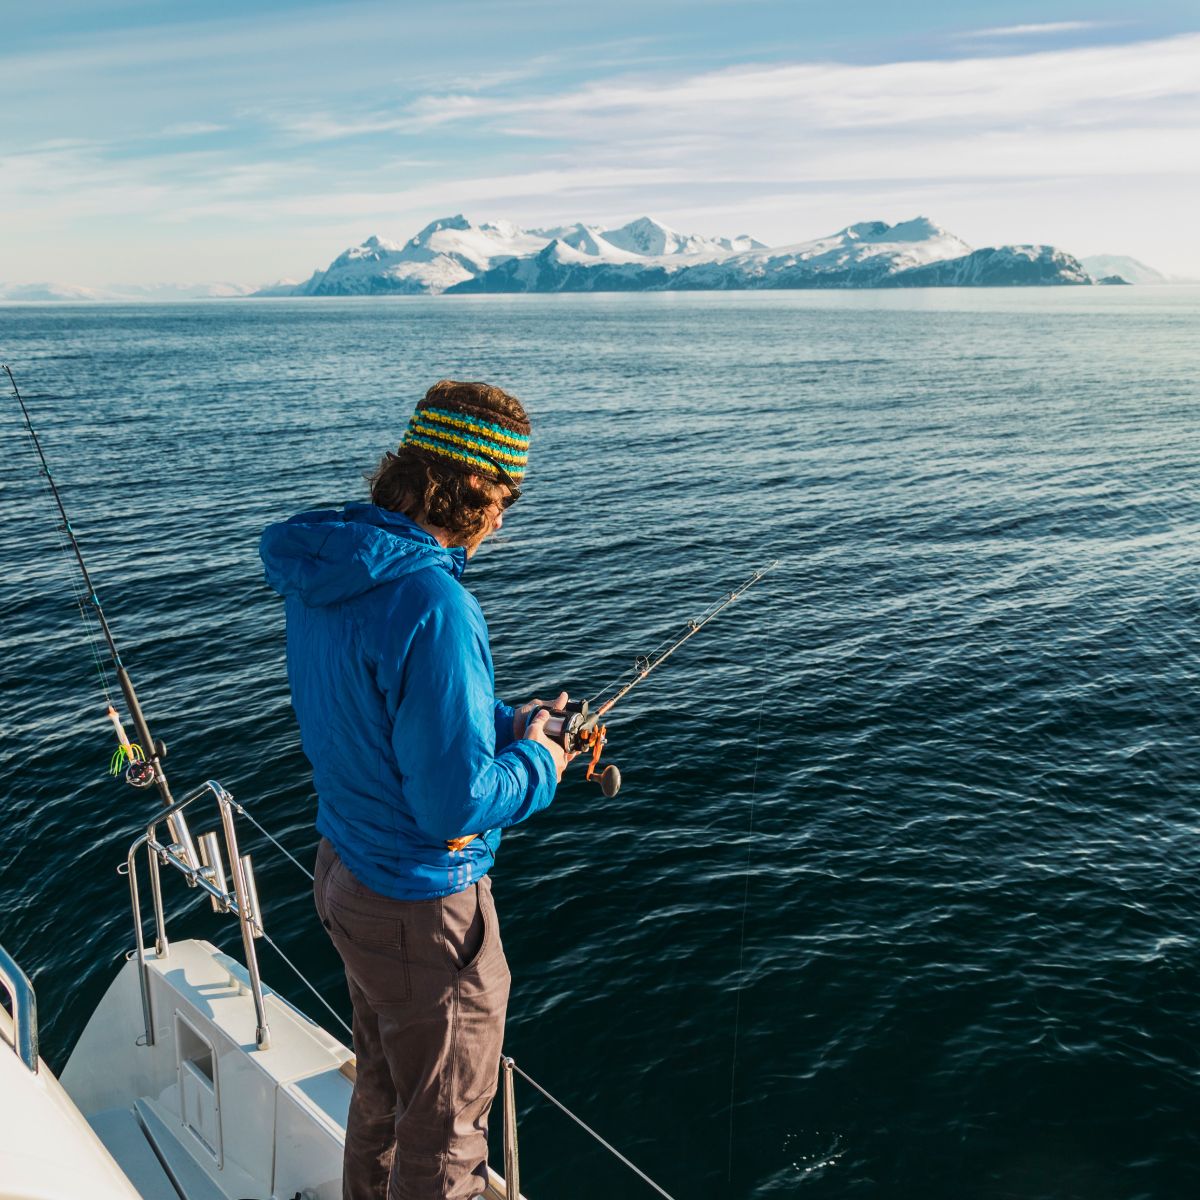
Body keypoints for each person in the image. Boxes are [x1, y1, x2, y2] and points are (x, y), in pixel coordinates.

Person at [259, 379, 570, 1200]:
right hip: (423, 907)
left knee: (384, 1087)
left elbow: (383, 700)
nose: (507, 515)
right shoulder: (434, 600)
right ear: (470, 485)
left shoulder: (339, 566)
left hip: (347, 874)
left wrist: (510, 722)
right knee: (447, 1131)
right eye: (506, 493)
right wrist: (543, 763)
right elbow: (454, 803)